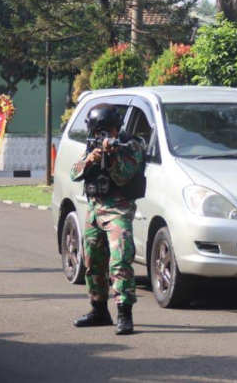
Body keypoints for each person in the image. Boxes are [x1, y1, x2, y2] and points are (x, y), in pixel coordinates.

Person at [70, 104, 145, 335]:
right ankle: (99, 311)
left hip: (118, 209)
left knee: (120, 261)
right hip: (94, 209)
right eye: (97, 133)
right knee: (92, 262)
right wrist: (90, 160)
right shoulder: (92, 145)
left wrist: (111, 156)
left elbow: (123, 177)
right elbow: (74, 173)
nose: (102, 137)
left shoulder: (131, 146)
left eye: (107, 132)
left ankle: (125, 314)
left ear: (116, 128)